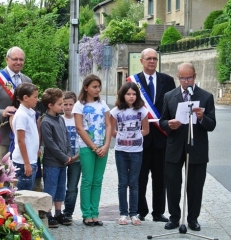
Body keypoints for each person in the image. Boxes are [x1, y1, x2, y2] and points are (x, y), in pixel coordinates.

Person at [159, 62, 216, 231]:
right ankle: (174, 218)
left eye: (189, 78)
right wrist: (169, 124)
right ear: (178, 78)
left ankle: (192, 219)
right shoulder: (169, 96)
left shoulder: (206, 96)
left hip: (196, 147)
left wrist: (201, 117)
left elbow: (211, 125)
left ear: (195, 76)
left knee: (195, 186)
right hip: (174, 146)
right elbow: (162, 121)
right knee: (173, 184)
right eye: (183, 78)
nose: (186, 81)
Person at [127, 48, 175, 222]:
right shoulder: (133, 82)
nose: (152, 61)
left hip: (162, 137)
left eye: (155, 58)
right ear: (141, 61)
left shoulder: (168, 81)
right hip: (140, 138)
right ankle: (141, 210)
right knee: (140, 177)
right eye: (148, 59)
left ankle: (158, 212)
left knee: (160, 177)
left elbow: (173, 106)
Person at [72, 73, 111, 227]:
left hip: (103, 147)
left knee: (98, 181)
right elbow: (80, 128)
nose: (97, 89)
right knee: (87, 180)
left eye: (99, 87)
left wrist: (106, 145)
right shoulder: (79, 105)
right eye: (94, 87)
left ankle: (95, 214)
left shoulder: (103, 104)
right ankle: (86, 214)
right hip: (87, 147)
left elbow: (108, 125)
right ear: (86, 88)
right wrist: (94, 147)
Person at [0, 46, 31, 159]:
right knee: (1, 175)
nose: (18, 62)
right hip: (2, 138)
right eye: (15, 59)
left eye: (21, 59)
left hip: (22, 138)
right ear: (7, 59)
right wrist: (2, 113)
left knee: (20, 175)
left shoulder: (27, 81)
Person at [110, 82, 149, 226]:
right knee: (122, 183)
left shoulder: (142, 110)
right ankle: (123, 214)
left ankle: (134, 213)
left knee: (134, 183)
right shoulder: (116, 111)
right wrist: (120, 137)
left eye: (134, 94)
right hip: (121, 151)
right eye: (128, 94)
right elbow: (111, 129)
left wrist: (136, 136)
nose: (131, 96)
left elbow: (146, 130)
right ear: (123, 95)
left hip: (136, 151)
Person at [40, 88, 73, 228]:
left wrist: (69, 154)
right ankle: (48, 214)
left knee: (61, 187)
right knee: (50, 188)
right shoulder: (45, 122)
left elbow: (66, 137)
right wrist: (64, 156)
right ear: (50, 105)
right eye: (60, 104)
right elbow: (50, 144)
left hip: (63, 162)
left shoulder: (60, 119)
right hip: (52, 162)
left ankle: (58, 212)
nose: (62, 106)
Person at [11, 83, 39, 191]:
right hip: (23, 162)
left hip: (30, 159)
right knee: (24, 195)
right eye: (35, 97)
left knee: (29, 191)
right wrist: (27, 163)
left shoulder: (29, 113)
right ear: (25, 98)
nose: (37, 99)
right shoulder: (22, 115)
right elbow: (21, 140)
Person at [62, 91, 80, 220]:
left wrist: (76, 157)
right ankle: (56, 211)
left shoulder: (79, 119)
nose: (68, 107)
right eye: (65, 104)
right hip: (61, 158)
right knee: (59, 185)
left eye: (71, 104)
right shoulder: (60, 120)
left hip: (77, 158)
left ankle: (68, 212)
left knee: (72, 187)